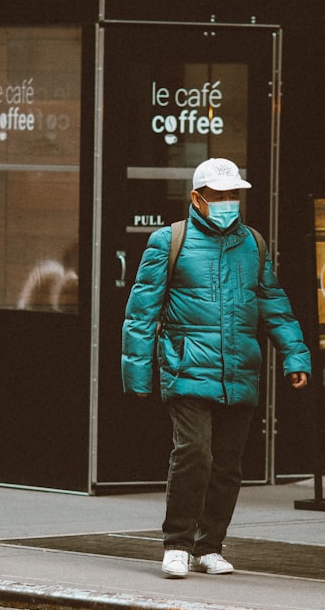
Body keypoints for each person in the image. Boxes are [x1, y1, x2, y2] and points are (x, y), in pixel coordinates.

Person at [121, 158, 311, 579]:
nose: (229, 203)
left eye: (234, 196)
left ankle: (209, 546)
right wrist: (137, 376)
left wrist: (295, 356)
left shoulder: (253, 244)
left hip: (239, 370)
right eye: (220, 196)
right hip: (187, 367)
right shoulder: (169, 241)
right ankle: (176, 544)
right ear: (197, 198)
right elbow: (141, 312)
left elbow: (273, 303)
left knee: (227, 464)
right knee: (194, 454)